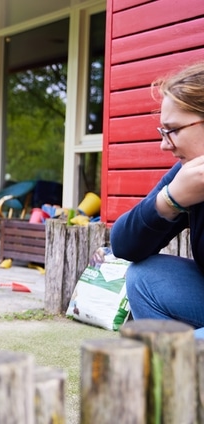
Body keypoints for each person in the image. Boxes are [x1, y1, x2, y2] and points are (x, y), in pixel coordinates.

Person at [110, 61, 204, 339]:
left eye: (173, 130)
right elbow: (123, 245)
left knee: (179, 355)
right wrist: (169, 200)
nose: (164, 144)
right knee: (145, 277)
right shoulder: (188, 174)